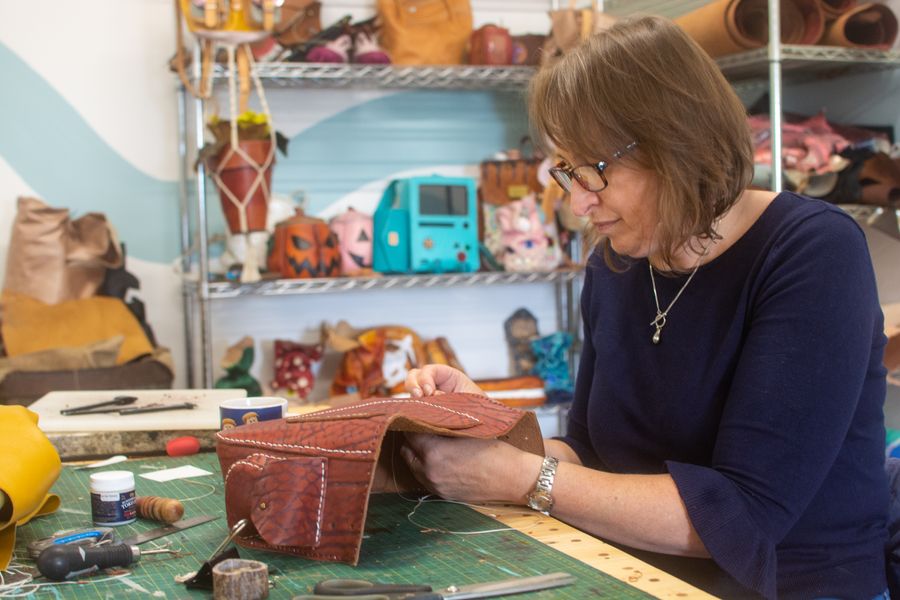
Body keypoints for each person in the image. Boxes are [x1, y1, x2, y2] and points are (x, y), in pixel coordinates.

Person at [402, 15, 890, 599]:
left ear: (676, 143)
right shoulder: (617, 264)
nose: (579, 201)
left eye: (594, 171)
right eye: (567, 172)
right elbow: (588, 449)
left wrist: (519, 477)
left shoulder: (813, 251)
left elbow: (743, 515)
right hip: (641, 575)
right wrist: (486, 426)